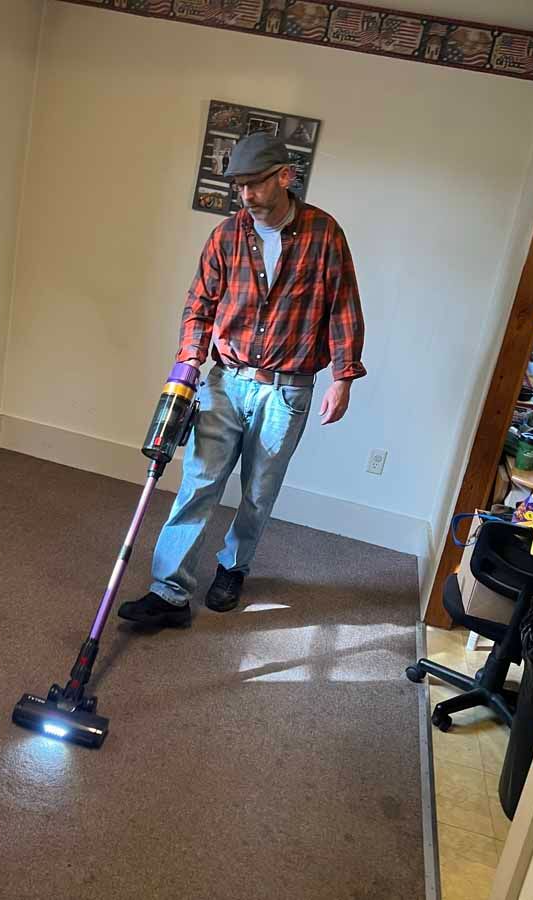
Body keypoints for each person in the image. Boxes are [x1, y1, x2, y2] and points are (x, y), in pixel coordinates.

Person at [118, 132, 367, 628]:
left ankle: (233, 568)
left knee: (258, 490)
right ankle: (169, 592)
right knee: (198, 483)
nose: (246, 195)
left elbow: (343, 306)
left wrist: (344, 376)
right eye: (239, 186)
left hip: (287, 387)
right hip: (225, 381)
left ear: (285, 177)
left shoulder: (324, 234)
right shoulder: (226, 235)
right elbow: (199, 304)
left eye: (255, 183)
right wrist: (189, 361)